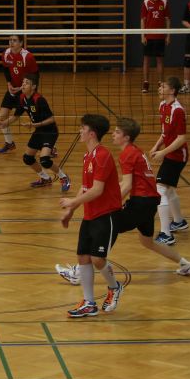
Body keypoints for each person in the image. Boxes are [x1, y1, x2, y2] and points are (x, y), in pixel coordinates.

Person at [55, 116, 190, 286]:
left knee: (107, 224)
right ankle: (186, 264)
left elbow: (127, 185)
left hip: (141, 202)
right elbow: (124, 183)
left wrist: (111, 205)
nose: (113, 134)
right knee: (148, 242)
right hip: (150, 203)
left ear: (126, 137)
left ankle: (79, 272)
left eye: (117, 132)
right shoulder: (135, 151)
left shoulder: (127, 154)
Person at [58, 114, 124, 317]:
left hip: (106, 214)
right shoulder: (88, 156)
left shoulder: (102, 156)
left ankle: (114, 287)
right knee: (83, 257)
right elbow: (85, 187)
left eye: (83, 128)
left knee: (97, 258)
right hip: (90, 214)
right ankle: (89, 303)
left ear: (92, 133)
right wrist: (71, 210)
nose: (80, 131)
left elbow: (97, 190)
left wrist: (72, 202)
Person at [0, 74, 71, 192]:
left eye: (26, 83)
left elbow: (52, 119)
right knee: (27, 158)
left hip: (50, 131)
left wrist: (34, 125)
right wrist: (4, 123)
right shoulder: (22, 98)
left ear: (33, 86)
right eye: (23, 83)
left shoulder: (39, 100)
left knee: (45, 160)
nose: (23, 85)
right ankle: (45, 178)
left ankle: (64, 177)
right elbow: (16, 116)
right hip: (39, 131)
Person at [149, 77, 189, 246]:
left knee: (160, 189)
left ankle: (166, 234)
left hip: (178, 155)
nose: (159, 89)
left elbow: (181, 138)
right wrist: (156, 146)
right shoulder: (163, 106)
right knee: (169, 189)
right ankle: (179, 222)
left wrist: (163, 152)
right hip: (170, 154)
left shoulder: (177, 110)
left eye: (163, 87)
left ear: (172, 91)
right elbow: (165, 132)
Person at [140, 0, 170, 94]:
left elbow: (167, 20)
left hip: (160, 36)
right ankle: (146, 83)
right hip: (149, 36)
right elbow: (142, 20)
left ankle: (160, 83)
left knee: (160, 60)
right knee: (146, 60)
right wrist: (142, 35)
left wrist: (168, 35)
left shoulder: (164, 2)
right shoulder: (146, 2)